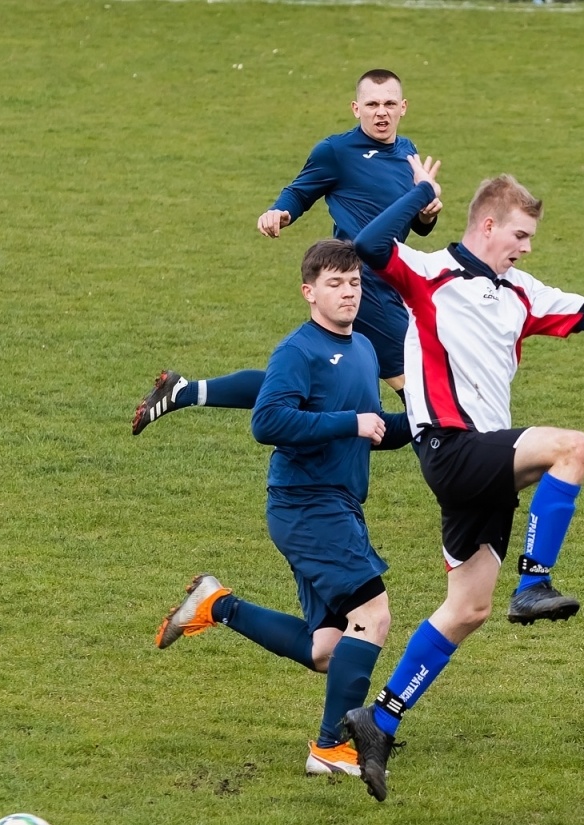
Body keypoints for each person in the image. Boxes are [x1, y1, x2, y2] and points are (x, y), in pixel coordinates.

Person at [337, 158, 584, 801]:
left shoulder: (522, 292)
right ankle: (535, 584)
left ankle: (379, 719)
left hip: (485, 471)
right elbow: (366, 247)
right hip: (453, 450)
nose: (526, 249)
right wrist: (421, 192)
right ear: (486, 225)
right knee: (574, 447)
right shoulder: (430, 272)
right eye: (520, 237)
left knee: (468, 608)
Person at [154, 239, 411, 777]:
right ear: (309, 292)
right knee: (374, 615)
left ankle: (215, 604)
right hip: (307, 505)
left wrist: (431, 427)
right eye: (335, 284)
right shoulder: (299, 351)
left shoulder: (363, 349)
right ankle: (329, 747)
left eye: (355, 283)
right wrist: (351, 423)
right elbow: (267, 422)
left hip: (338, 504)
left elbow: (373, 430)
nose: (348, 293)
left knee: (328, 649)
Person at [131, 69, 442, 434]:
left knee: (318, 382)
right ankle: (460, 468)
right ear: (356, 108)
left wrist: (425, 214)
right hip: (360, 284)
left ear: (403, 107)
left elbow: (415, 223)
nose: (381, 112)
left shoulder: (408, 152)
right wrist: (280, 211)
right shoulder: (336, 152)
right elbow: (299, 190)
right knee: (426, 405)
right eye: (372, 104)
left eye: (389, 104)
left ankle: (184, 391)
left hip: (388, 282)